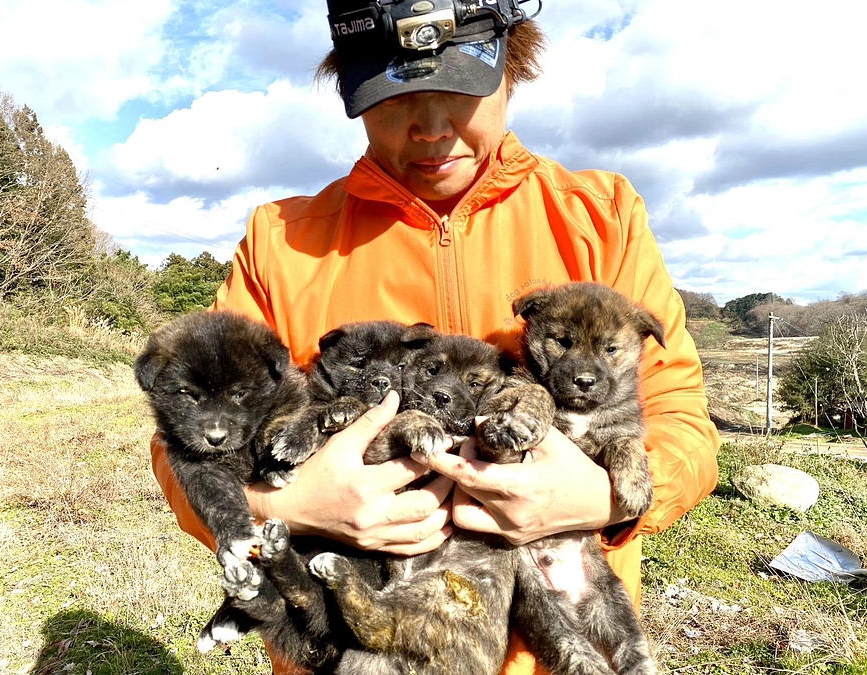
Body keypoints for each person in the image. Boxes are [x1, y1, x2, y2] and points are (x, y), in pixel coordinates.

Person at [150, 1, 721, 673]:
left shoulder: (602, 218)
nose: (430, 129)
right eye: (394, 99)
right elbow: (179, 441)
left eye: (458, 89)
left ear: (514, 65)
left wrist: (600, 497)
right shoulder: (284, 243)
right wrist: (295, 504)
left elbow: (685, 423)